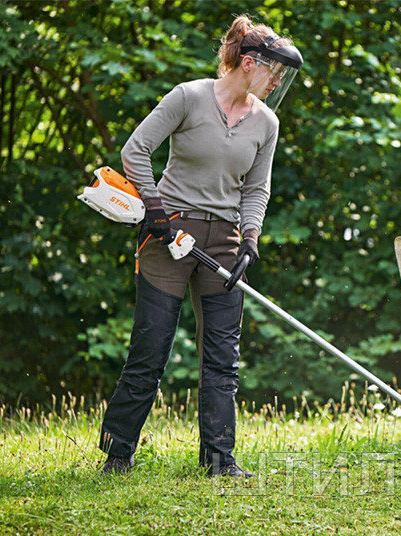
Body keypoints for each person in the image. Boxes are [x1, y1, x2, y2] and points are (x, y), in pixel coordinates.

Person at [98, 14, 302, 477]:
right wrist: (155, 209)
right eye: (275, 71)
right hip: (167, 235)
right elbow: (135, 151)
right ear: (249, 63)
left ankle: (219, 460)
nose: (277, 82)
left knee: (223, 359)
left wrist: (250, 237)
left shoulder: (266, 123)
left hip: (224, 242)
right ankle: (118, 452)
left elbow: (257, 189)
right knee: (151, 349)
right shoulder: (188, 97)